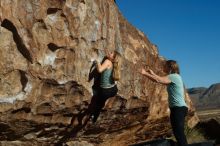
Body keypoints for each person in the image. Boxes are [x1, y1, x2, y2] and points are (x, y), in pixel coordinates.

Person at [140, 60, 188, 146]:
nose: (163, 67)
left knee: (179, 134)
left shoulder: (173, 76)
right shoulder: (175, 77)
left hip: (178, 109)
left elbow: (158, 80)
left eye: (165, 66)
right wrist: (153, 73)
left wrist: (144, 73)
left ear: (170, 67)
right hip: (177, 109)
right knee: (178, 134)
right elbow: (159, 79)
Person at [90, 50, 120, 123]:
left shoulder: (107, 61)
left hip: (105, 91)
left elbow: (100, 70)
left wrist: (96, 61)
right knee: (101, 103)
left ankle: (94, 119)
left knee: (97, 104)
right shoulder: (113, 63)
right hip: (113, 89)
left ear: (112, 58)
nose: (109, 52)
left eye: (111, 53)